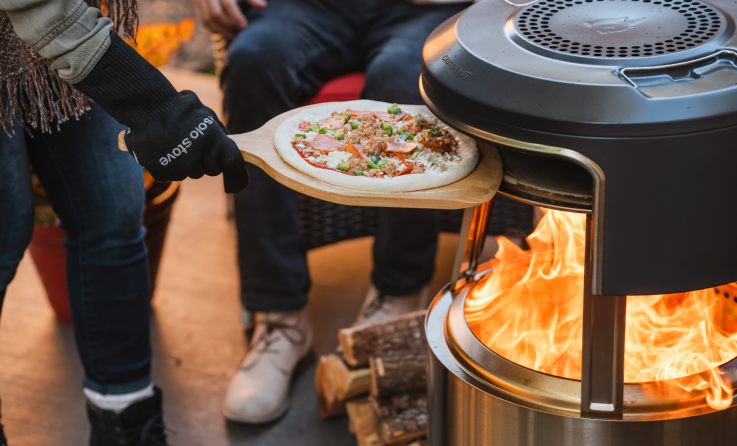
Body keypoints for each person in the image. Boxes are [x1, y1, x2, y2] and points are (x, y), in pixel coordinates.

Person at [193, 0, 472, 424]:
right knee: (253, 62)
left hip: (425, 10)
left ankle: (400, 291)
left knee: (402, 79)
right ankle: (280, 318)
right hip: (307, 8)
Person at [0, 0, 249, 444]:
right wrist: (157, 107)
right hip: (49, 13)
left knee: (111, 208)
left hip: (57, 25)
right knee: (4, 231)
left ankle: (126, 426)